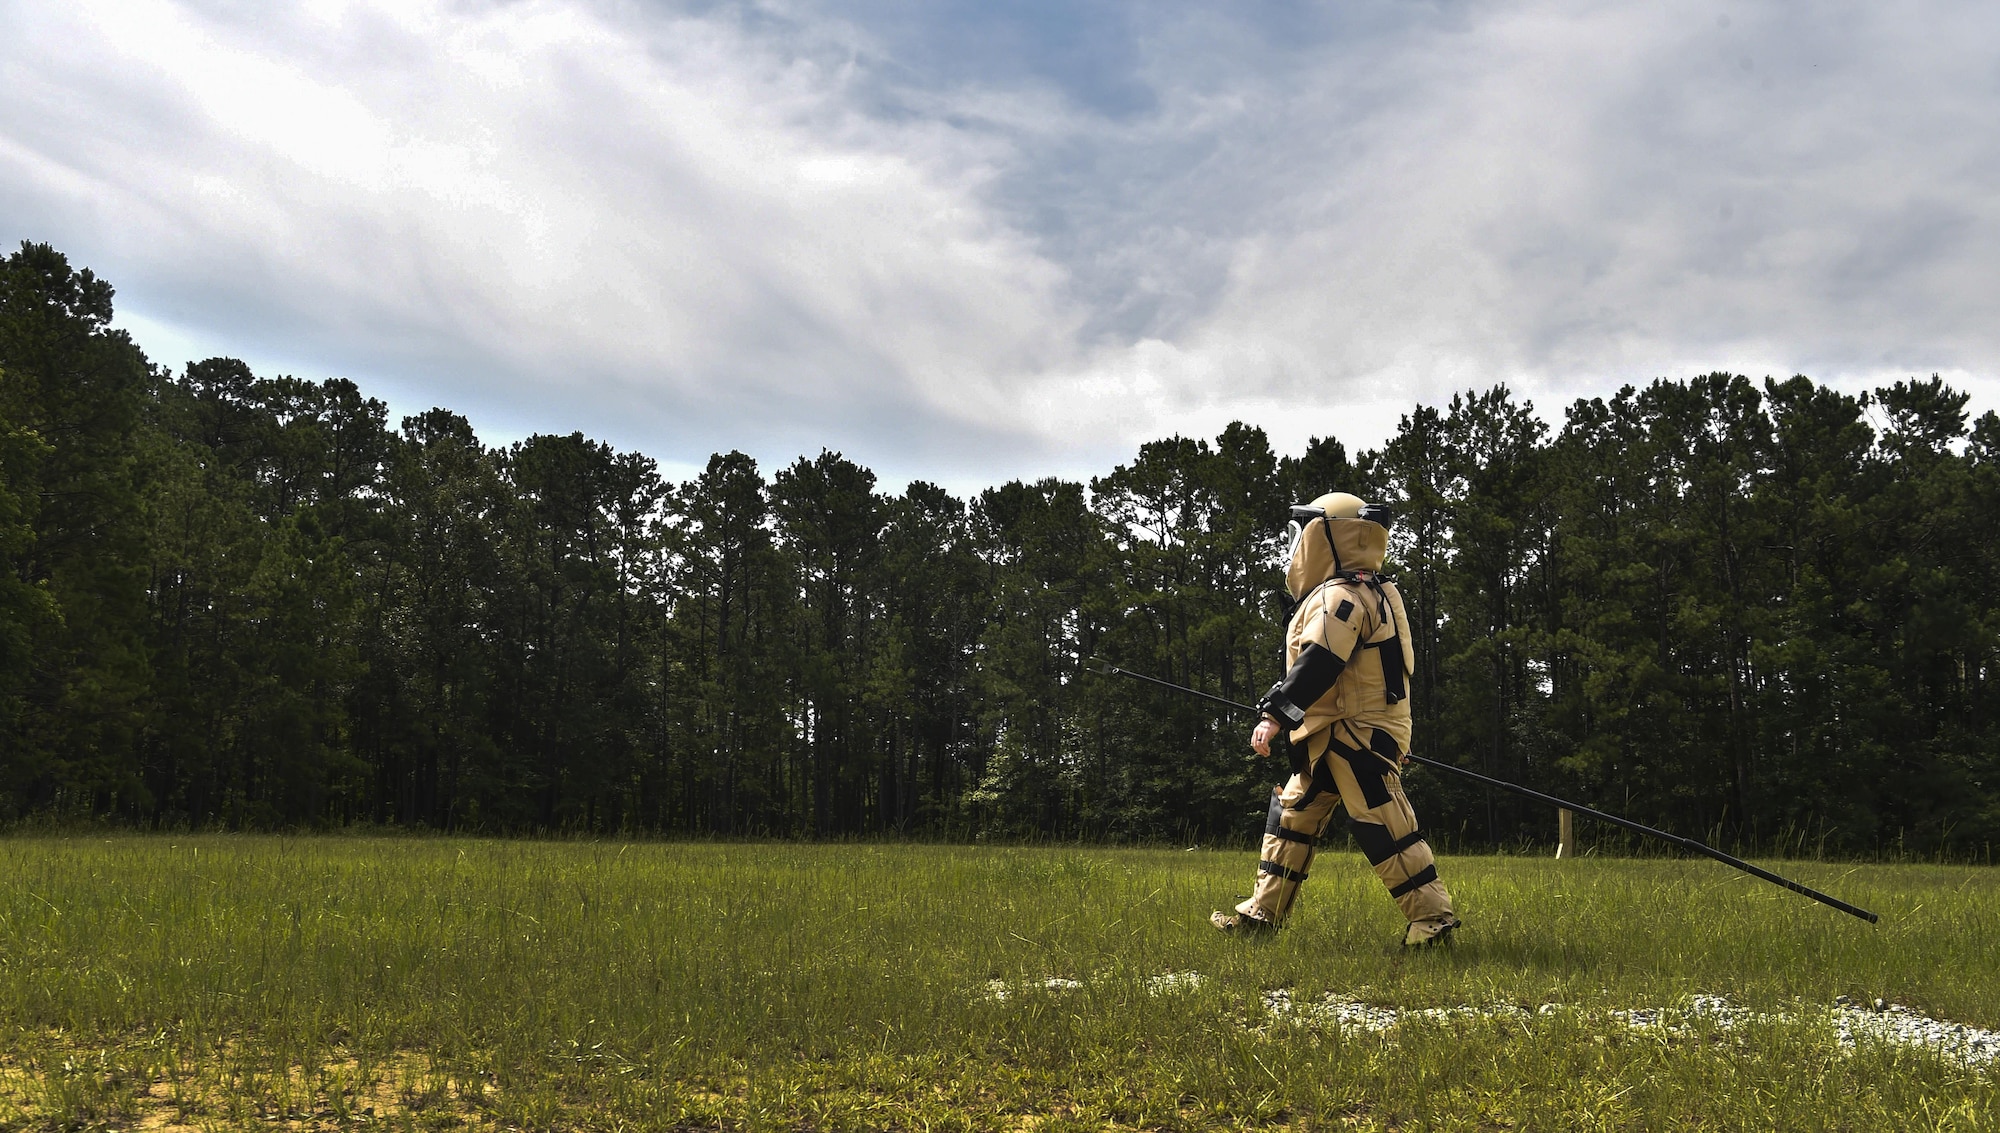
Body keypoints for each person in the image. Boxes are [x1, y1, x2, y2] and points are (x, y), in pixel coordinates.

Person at [1210, 492, 1459, 947]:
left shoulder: (1341, 596)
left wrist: (1274, 715)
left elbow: (1322, 661)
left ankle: (1433, 923)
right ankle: (1262, 915)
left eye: (1302, 531)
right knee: (1293, 817)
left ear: (1328, 535)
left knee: (1386, 825)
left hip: (1353, 736)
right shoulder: (1375, 588)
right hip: (1337, 733)